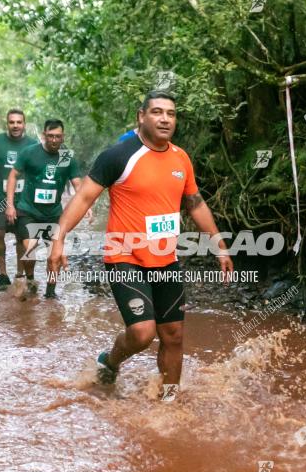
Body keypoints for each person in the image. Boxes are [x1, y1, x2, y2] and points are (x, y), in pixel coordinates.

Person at [47, 91, 233, 402]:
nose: (165, 119)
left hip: (167, 260)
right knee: (143, 333)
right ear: (141, 116)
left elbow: (195, 203)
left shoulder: (180, 158)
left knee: (173, 336)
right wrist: (59, 239)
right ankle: (110, 361)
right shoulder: (118, 156)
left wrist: (219, 244)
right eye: (157, 112)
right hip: (125, 257)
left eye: (171, 114)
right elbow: (83, 198)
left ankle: (169, 402)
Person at [5, 119, 85, 299]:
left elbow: (78, 184)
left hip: (54, 214)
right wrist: (10, 205)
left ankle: (50, 292)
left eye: (58, 136)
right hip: (28, 210)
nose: (54, 140)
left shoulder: (67, 158)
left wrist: (86, 206)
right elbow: (13, 176)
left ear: (63, 137)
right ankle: (31, 279)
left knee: (53, 257)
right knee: (29, 248)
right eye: (50, 136)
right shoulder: (29, 152)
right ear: (44, 135)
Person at [0, 109, 39, 291]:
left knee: (23, 238)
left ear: (24, 124)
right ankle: (3, 274)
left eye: (19, 122)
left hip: (23, 200)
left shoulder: (32, 144)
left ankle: (20, 274)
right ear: (7, 124)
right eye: (12, 122)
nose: (15, 125)